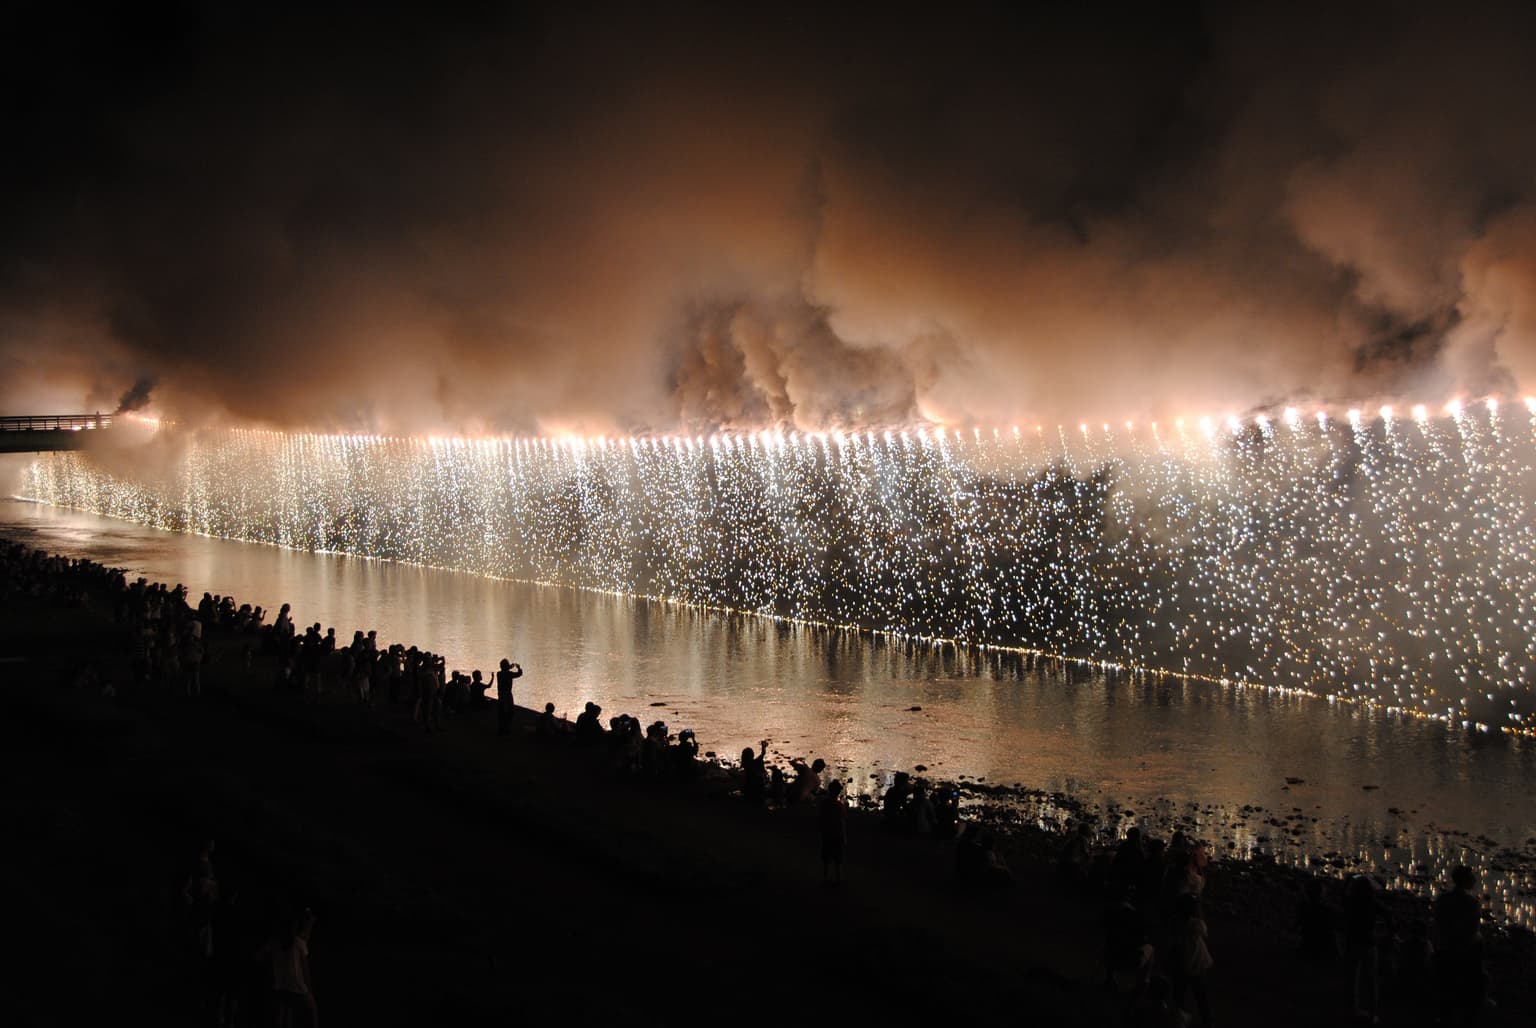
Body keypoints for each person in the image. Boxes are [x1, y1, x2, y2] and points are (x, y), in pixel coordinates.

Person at [1433, 865, 1485, 1024]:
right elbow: (1473, 931)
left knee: (1446, 990)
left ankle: (1444, 1018)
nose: (1475, 879)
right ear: (1466, 881)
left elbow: (1438, 924)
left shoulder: (1443, 899)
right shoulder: (1472, 903)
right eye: (1472, 876)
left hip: (1445, 948)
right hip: (1464, 952)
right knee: (1468, 991)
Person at [1167, 893, 1213, 1026]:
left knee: (1178, 992)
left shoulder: (1174, 921)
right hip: (1196, 962)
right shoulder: (1195, 924)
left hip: (1180, 961)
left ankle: (1177, 1018)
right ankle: (1207, 1020)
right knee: (1200, 993)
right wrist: (1199, 912)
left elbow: (1171, 941)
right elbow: (1205, 932)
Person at [819, 781, 847, 884]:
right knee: (837, 859)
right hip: (837, 835)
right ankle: (838, 878)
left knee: (826, 858)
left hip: (827, 834)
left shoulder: (824, 804)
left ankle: (826, 878)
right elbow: (842, 822)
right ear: (838, 792)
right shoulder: (840, 806)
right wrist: (844, 837)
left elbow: (821, 819)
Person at [496, 659, 523, 736]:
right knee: (510, 711)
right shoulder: (509, 674)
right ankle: (507, 727)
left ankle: (501, 727)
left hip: (501, 694)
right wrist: (518, 667)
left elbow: (505, 670)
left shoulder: (499, 674)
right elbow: (519, 674)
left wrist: (509, 667)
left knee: (502, 711)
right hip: (507, 694)